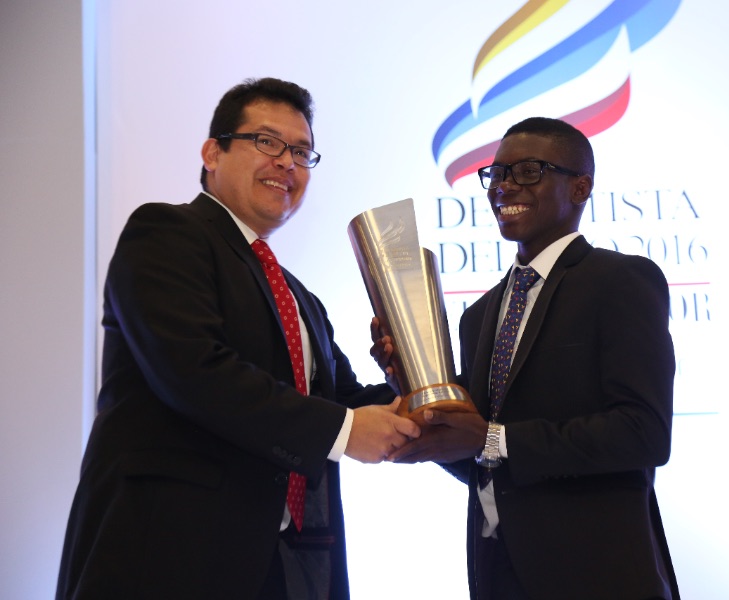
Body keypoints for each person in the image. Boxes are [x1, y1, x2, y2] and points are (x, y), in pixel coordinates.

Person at [56, 77, 420, 600]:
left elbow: (338, 398)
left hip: (279, 564)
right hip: (164, 558)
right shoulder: (164, 233)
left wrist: (416, 401)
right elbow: (195, 372)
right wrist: (344, 430)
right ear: (212, 152)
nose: (287, 163)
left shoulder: (298, 295)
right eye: (267, 142)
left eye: (301, 151)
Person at [377, 117, 679, 599]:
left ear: (580, 187)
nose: (504, 186)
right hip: (497, 572)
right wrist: (407, 385)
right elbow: (480, 459)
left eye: (529, 171)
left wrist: (494, 439)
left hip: (597, 576)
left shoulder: (621, 281)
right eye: (495, 174)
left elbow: (643, 434)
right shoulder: (479, 315)